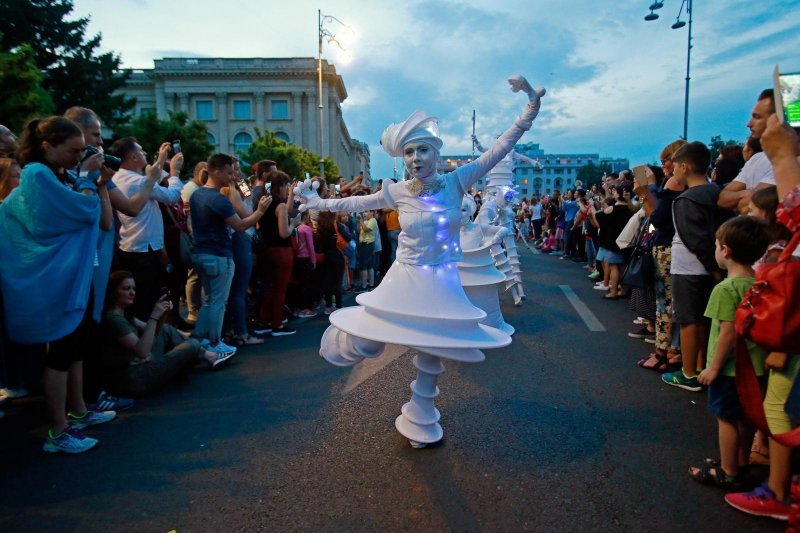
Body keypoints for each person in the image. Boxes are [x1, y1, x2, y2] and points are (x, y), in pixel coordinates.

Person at [0, 117, 116, 454]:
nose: (78, 156)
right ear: (48, 146)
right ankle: (57, 430)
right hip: (52, 277)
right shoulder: (37, 174)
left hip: (70, 273)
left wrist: (93, 183)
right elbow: (77, 212)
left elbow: (98, 216)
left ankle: (77, 411)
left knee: (75, 347)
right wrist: (84, 180)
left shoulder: (59, 174)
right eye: (74, 150)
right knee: (61, 353)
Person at [724, 114, 800, 520]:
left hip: (789, 344)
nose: (757, 123)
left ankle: (779, 491)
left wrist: (785, 158)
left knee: (781, 409)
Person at [689, 217, 770, 487]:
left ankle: (727, 470)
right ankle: (741, 463)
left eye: (716, 245)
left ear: (726, 251)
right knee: (746, 418)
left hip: (730, 368)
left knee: (726, 418)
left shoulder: (726, 289)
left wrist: (713, 367)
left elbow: (728, 332)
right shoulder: (759, 283)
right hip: (756, 366)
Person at [90, 271, 235, 397]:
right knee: (192, 344)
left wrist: (162, 315)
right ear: (113, 292)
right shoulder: (113, 319)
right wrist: (154, 316)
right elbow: (142, 351)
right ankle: (204, 355)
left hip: (141, 364)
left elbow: (153, 331)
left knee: (166, 329)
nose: (132, 293)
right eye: (126, 289)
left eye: (133, 288)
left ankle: (206, 356)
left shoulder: (125, 314)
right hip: (134, 377)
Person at [191, 153, 271, 350]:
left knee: (209, 301)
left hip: (203, 251)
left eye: (236, 169)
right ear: (216, 171)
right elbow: (242, 223)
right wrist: (260, 211)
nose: (234, 173)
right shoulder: (222, 197)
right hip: (220, 252)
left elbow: (245, 199)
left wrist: (241, 183)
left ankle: (200, 341)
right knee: (221, 301)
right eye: (231, 170)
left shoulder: (198, 194)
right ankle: (216, 343)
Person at [661, 142, 721, 392]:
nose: (673, 171)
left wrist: (712, 267)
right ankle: (698, 366)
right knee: (703, 320)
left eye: (675, 166)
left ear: (684, 167)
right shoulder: (716, 192)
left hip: (689, 268)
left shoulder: (686, 199)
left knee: (688, 320)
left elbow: (693, 238)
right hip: (711, 265)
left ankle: (688, 372)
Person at [111, 137, 184, 319]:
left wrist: (161, 160)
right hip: (144, 251)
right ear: (133, 156)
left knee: (140, 300)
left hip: (132, 245)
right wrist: (174, 172)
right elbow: (173, 196)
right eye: (141, 151)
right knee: (147, 300)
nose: (144, 154)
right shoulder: (137, 182)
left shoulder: (119, 177)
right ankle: (148, 341)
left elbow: (150, 180)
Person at [256, 170, 301, 336]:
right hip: (282, 250)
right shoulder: (280, 206)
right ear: (280, 186)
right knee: (280, 288)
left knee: (270, 287)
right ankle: (277, 323)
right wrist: (294, 223)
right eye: (286, 185)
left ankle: (264, 320)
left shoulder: (264, 202)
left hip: (267, 248)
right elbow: (284, 232)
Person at [718, 89, 777, 214]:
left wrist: (741, 196)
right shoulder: (757, 158)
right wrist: (749, 193)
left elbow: (751, 206)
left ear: (777, 120)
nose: (748, 124)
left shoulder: (787, 162)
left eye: (757, 117)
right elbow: (722, 198)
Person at [317, 211, 351, 314]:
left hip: (325, 257)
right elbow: (349, 237)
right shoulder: (336, 225)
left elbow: (319, 243)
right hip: (337, 255)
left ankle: (328, 306)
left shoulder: (320, 226)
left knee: (327, 281)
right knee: (337, 281)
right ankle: (339, 305)